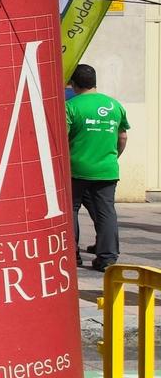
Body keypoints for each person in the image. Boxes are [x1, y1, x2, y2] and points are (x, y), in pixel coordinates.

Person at [68, 63, 129, 270]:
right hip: (106, 169)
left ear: (74, 84)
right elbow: (122, 136)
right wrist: (112, 158)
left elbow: (60, 138)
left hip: (76, 170)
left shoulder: (71, 106)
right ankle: (107, 258)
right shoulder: (114, 105)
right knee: (106, 212)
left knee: (71, 210)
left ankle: (72, 255)